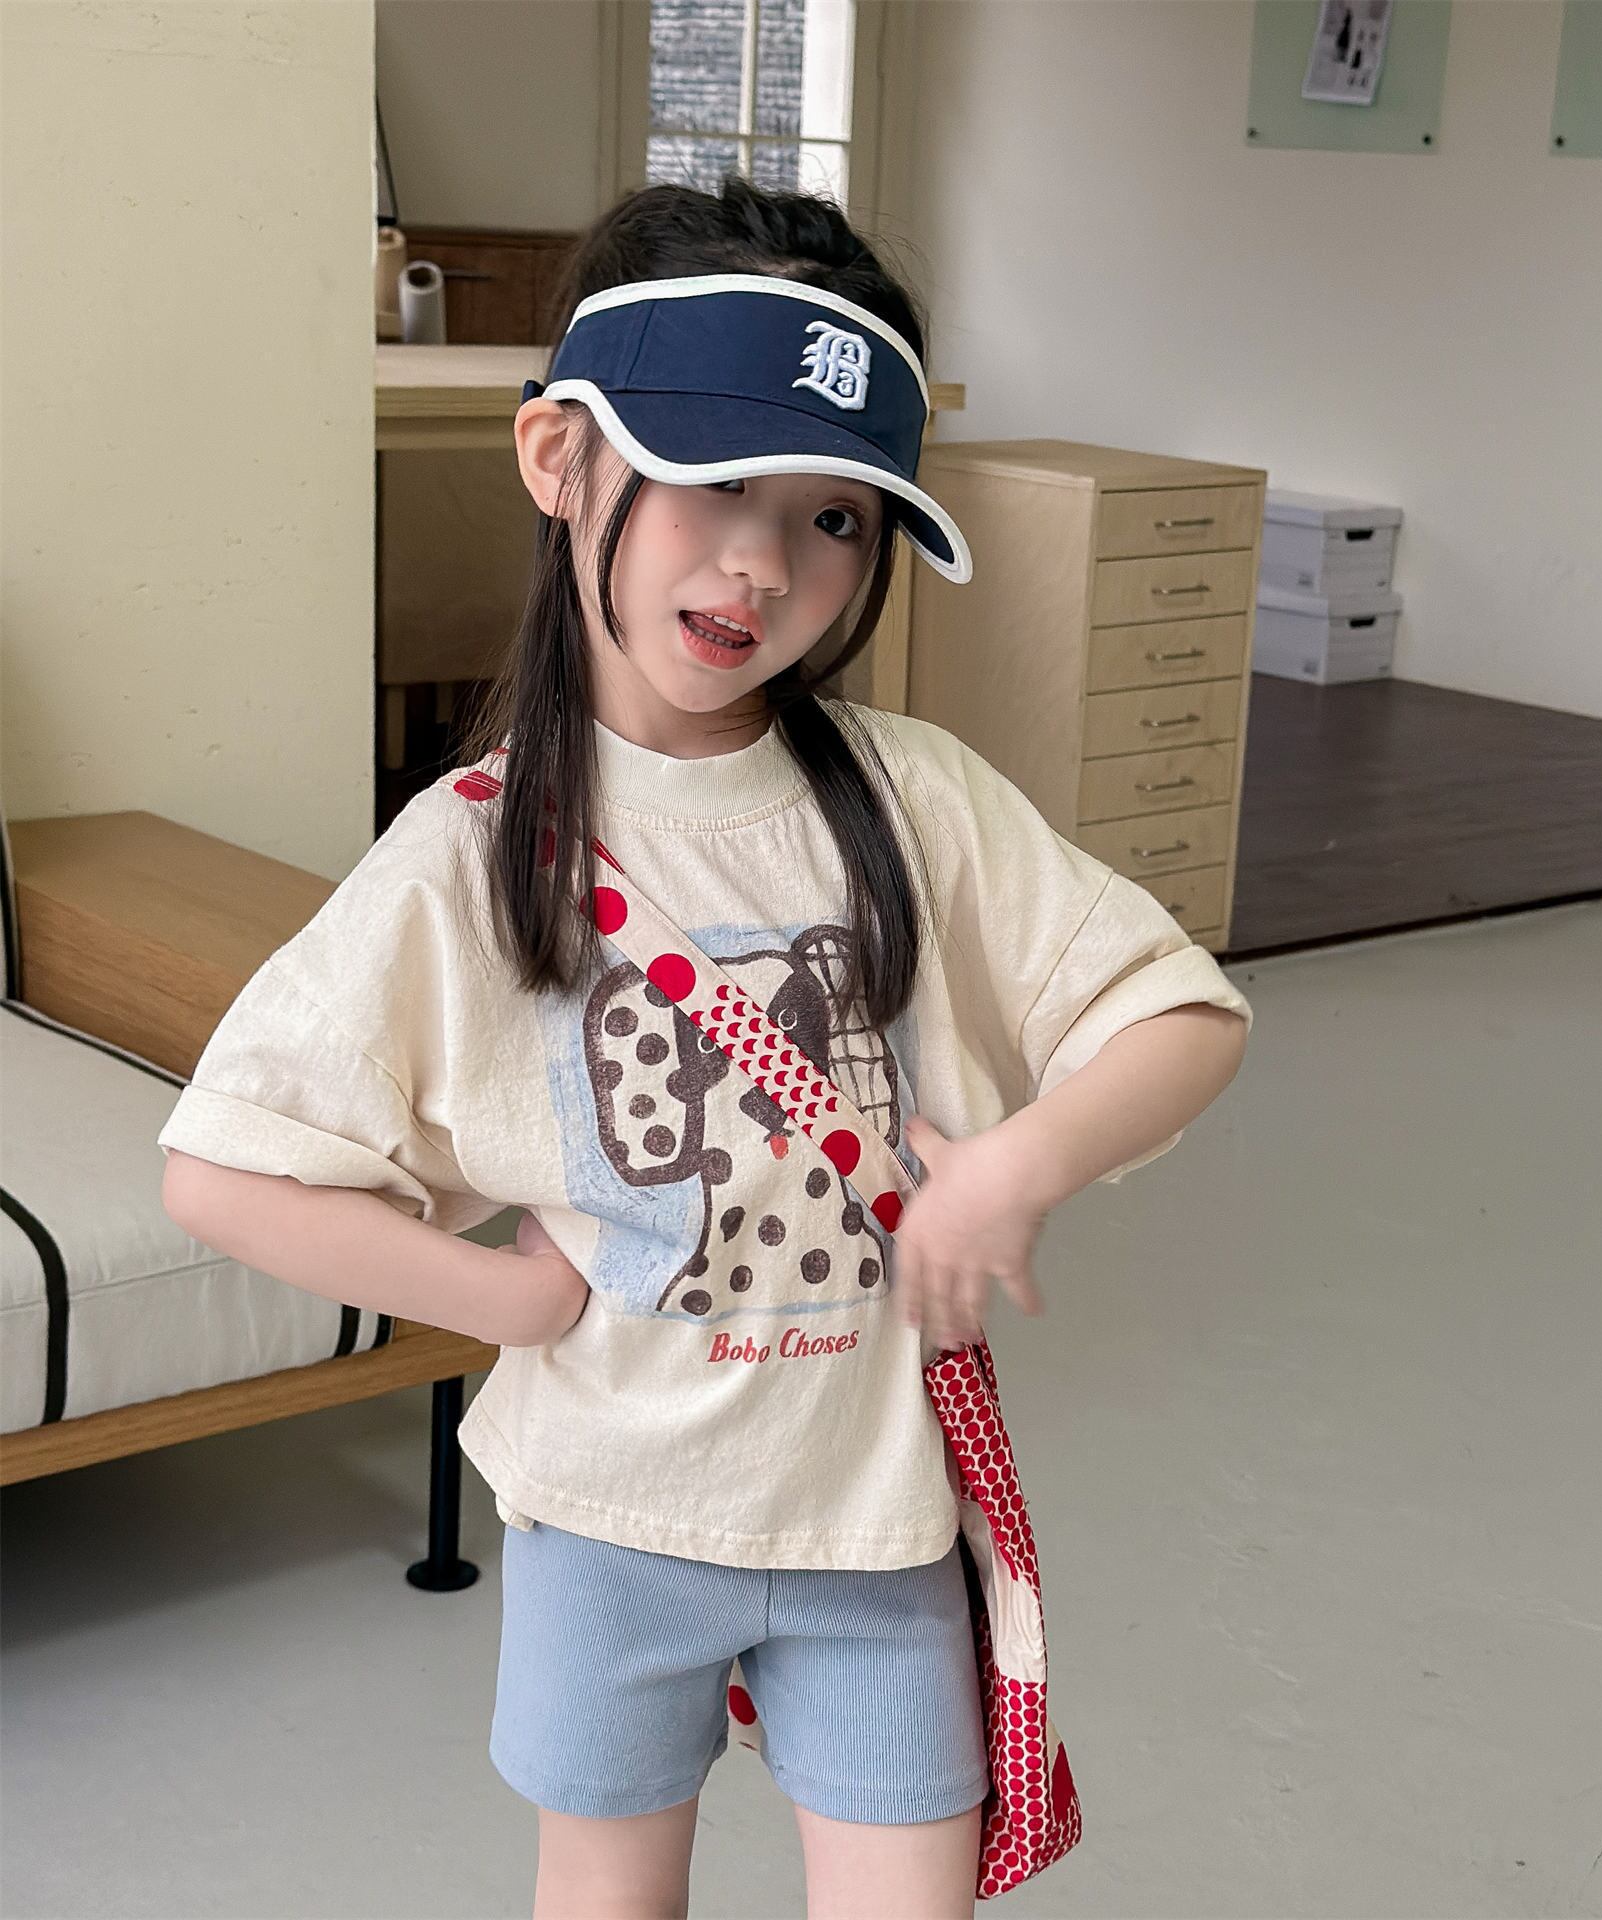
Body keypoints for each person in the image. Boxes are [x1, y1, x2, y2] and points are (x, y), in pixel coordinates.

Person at [157, 175, 1252, 1920]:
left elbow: (1180, 1013)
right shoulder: (464, 855)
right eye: (716, 477)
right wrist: (507, 1302)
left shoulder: (917, 798)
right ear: (558, 457)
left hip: (874, 1529)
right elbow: (225, 1170)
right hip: (604, 1523)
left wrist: (1022, 1164)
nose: (766, 563)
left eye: (834, 517)